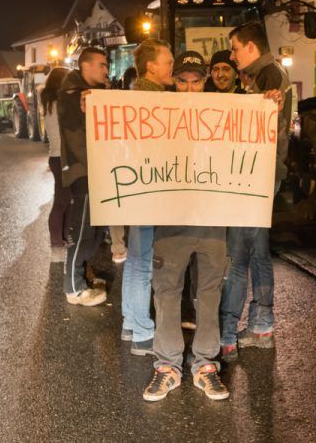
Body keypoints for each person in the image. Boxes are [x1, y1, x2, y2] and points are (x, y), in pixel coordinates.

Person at [142, 50, 231, 402]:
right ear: (174, 82)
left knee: (209, 294)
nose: (190, 88)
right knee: (166, 292)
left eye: (196, 81)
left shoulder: (225, 113)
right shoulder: (155, 115)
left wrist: (271, 103)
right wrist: (94, 105)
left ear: (205, 80)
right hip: (171, 221)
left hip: (212, 219)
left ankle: (205, 366)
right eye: (183, 81)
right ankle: (167, 367)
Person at [219, 21, 291, 362]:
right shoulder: (264, 76)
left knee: (237, 254)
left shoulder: (269, 77)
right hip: (261, 176)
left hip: (254, 178)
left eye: (234, 48)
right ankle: (262, 325)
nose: (232, 56)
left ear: (250, 47)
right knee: (259, 250)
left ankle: (226, 331)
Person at [121, 39, 174, 357]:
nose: (172, 66)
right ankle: (142, 333)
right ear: (151, 66)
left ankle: (130, 322)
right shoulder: (154, 100)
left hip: (136, 186)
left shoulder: (133, 96)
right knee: (143, 264)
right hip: (150, 185)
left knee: (135, 258)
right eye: (168, 61)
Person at [57, 46, 115, 306]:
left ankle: (82, 275)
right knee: (82, 229)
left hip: (96, 168)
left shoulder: (91, 93)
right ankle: (74, 287)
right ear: (85, 66)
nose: (106, 69)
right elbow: (74, 117)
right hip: (84, 170)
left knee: (95, 229)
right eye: (101, 64)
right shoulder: (72, 95)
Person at [41, 67, 71, 247]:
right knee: (62, 200)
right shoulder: (59, 103)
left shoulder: (49, 101)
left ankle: (64, 235)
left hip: (57, 157)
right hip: (61, 157)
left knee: (67, 199)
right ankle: (56, 239)